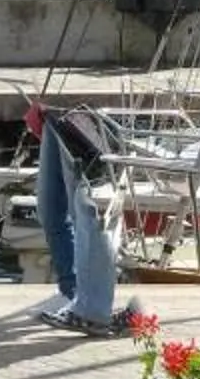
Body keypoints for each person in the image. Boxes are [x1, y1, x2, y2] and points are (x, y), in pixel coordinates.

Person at [24, 102, 139, 337]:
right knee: (50, 210)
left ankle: (91, 309)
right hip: (53, 117)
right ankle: (74, 295)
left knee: (87, 213)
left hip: (83, 116)